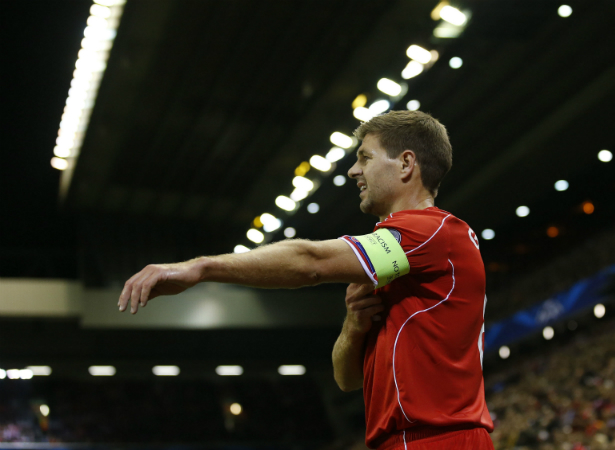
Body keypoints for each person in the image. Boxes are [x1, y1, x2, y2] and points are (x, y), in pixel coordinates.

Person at [117, 110, 494, 449]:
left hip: (438, 440)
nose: (353, 171)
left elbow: (309, 261)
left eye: (365, 157)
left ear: (406, 163)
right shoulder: (401, 257)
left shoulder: (430, 231)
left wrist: (201, 268)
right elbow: (346, 380)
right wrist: (352, 327)